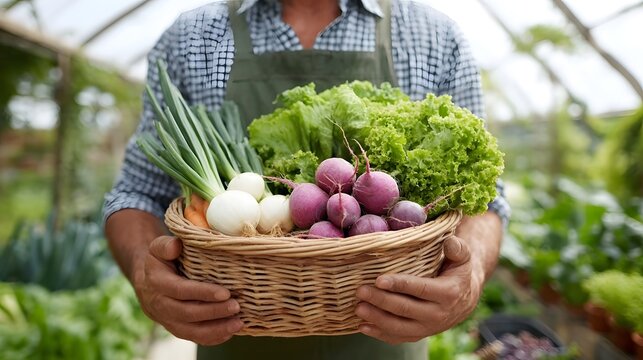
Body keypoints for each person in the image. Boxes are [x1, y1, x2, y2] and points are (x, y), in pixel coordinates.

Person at [104, 0, 510, 358]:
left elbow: (485, 199)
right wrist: (144, 272)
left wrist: (469, 277)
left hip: (388, 346)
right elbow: (136, 193)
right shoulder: (193, 37)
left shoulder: (433, 36)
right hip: (234, 342)